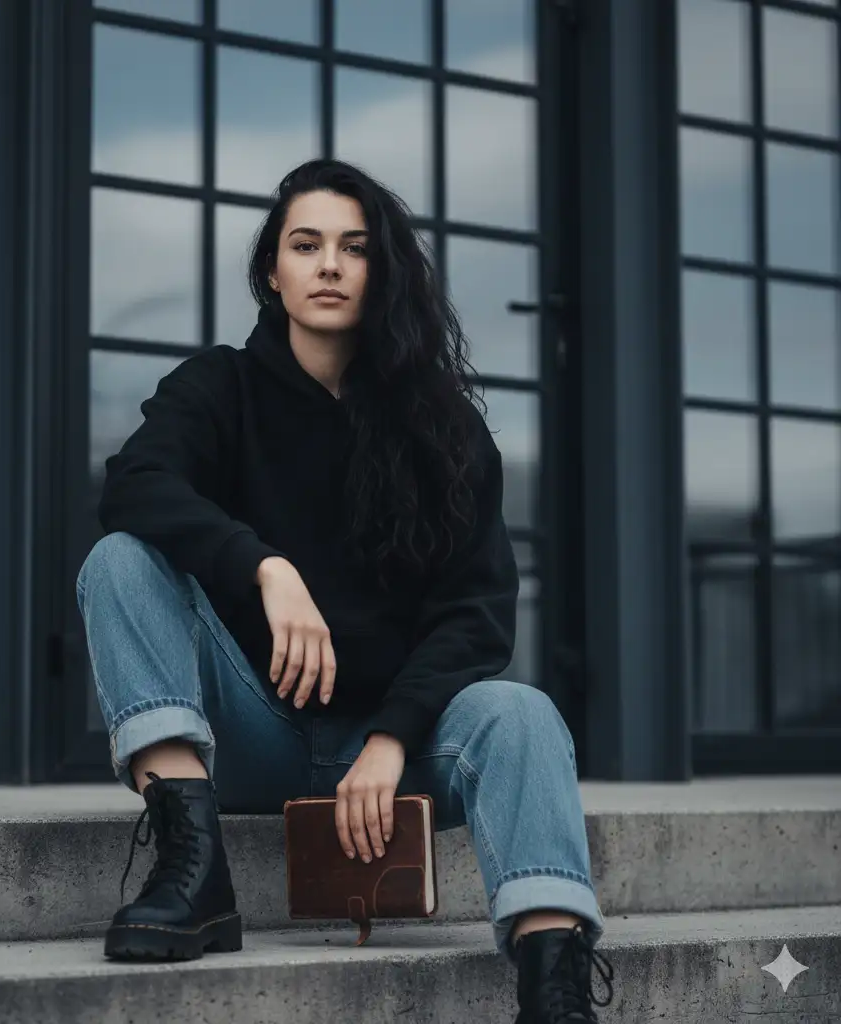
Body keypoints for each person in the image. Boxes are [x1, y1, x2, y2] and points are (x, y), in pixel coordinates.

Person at [77, 158, 613, 1022]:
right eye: (306, 243)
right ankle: (193, 867)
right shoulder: (220, 387)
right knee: (121, 560)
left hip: (395, 757)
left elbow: (475, 616)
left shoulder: (444, 427)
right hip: (250, 734)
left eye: (354, 248)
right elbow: (136, 484)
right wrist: (264, 566)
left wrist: (395, 736)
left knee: (523, 714)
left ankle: (553, 983)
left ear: (382, 271)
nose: (329, 264)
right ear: (272, 271)